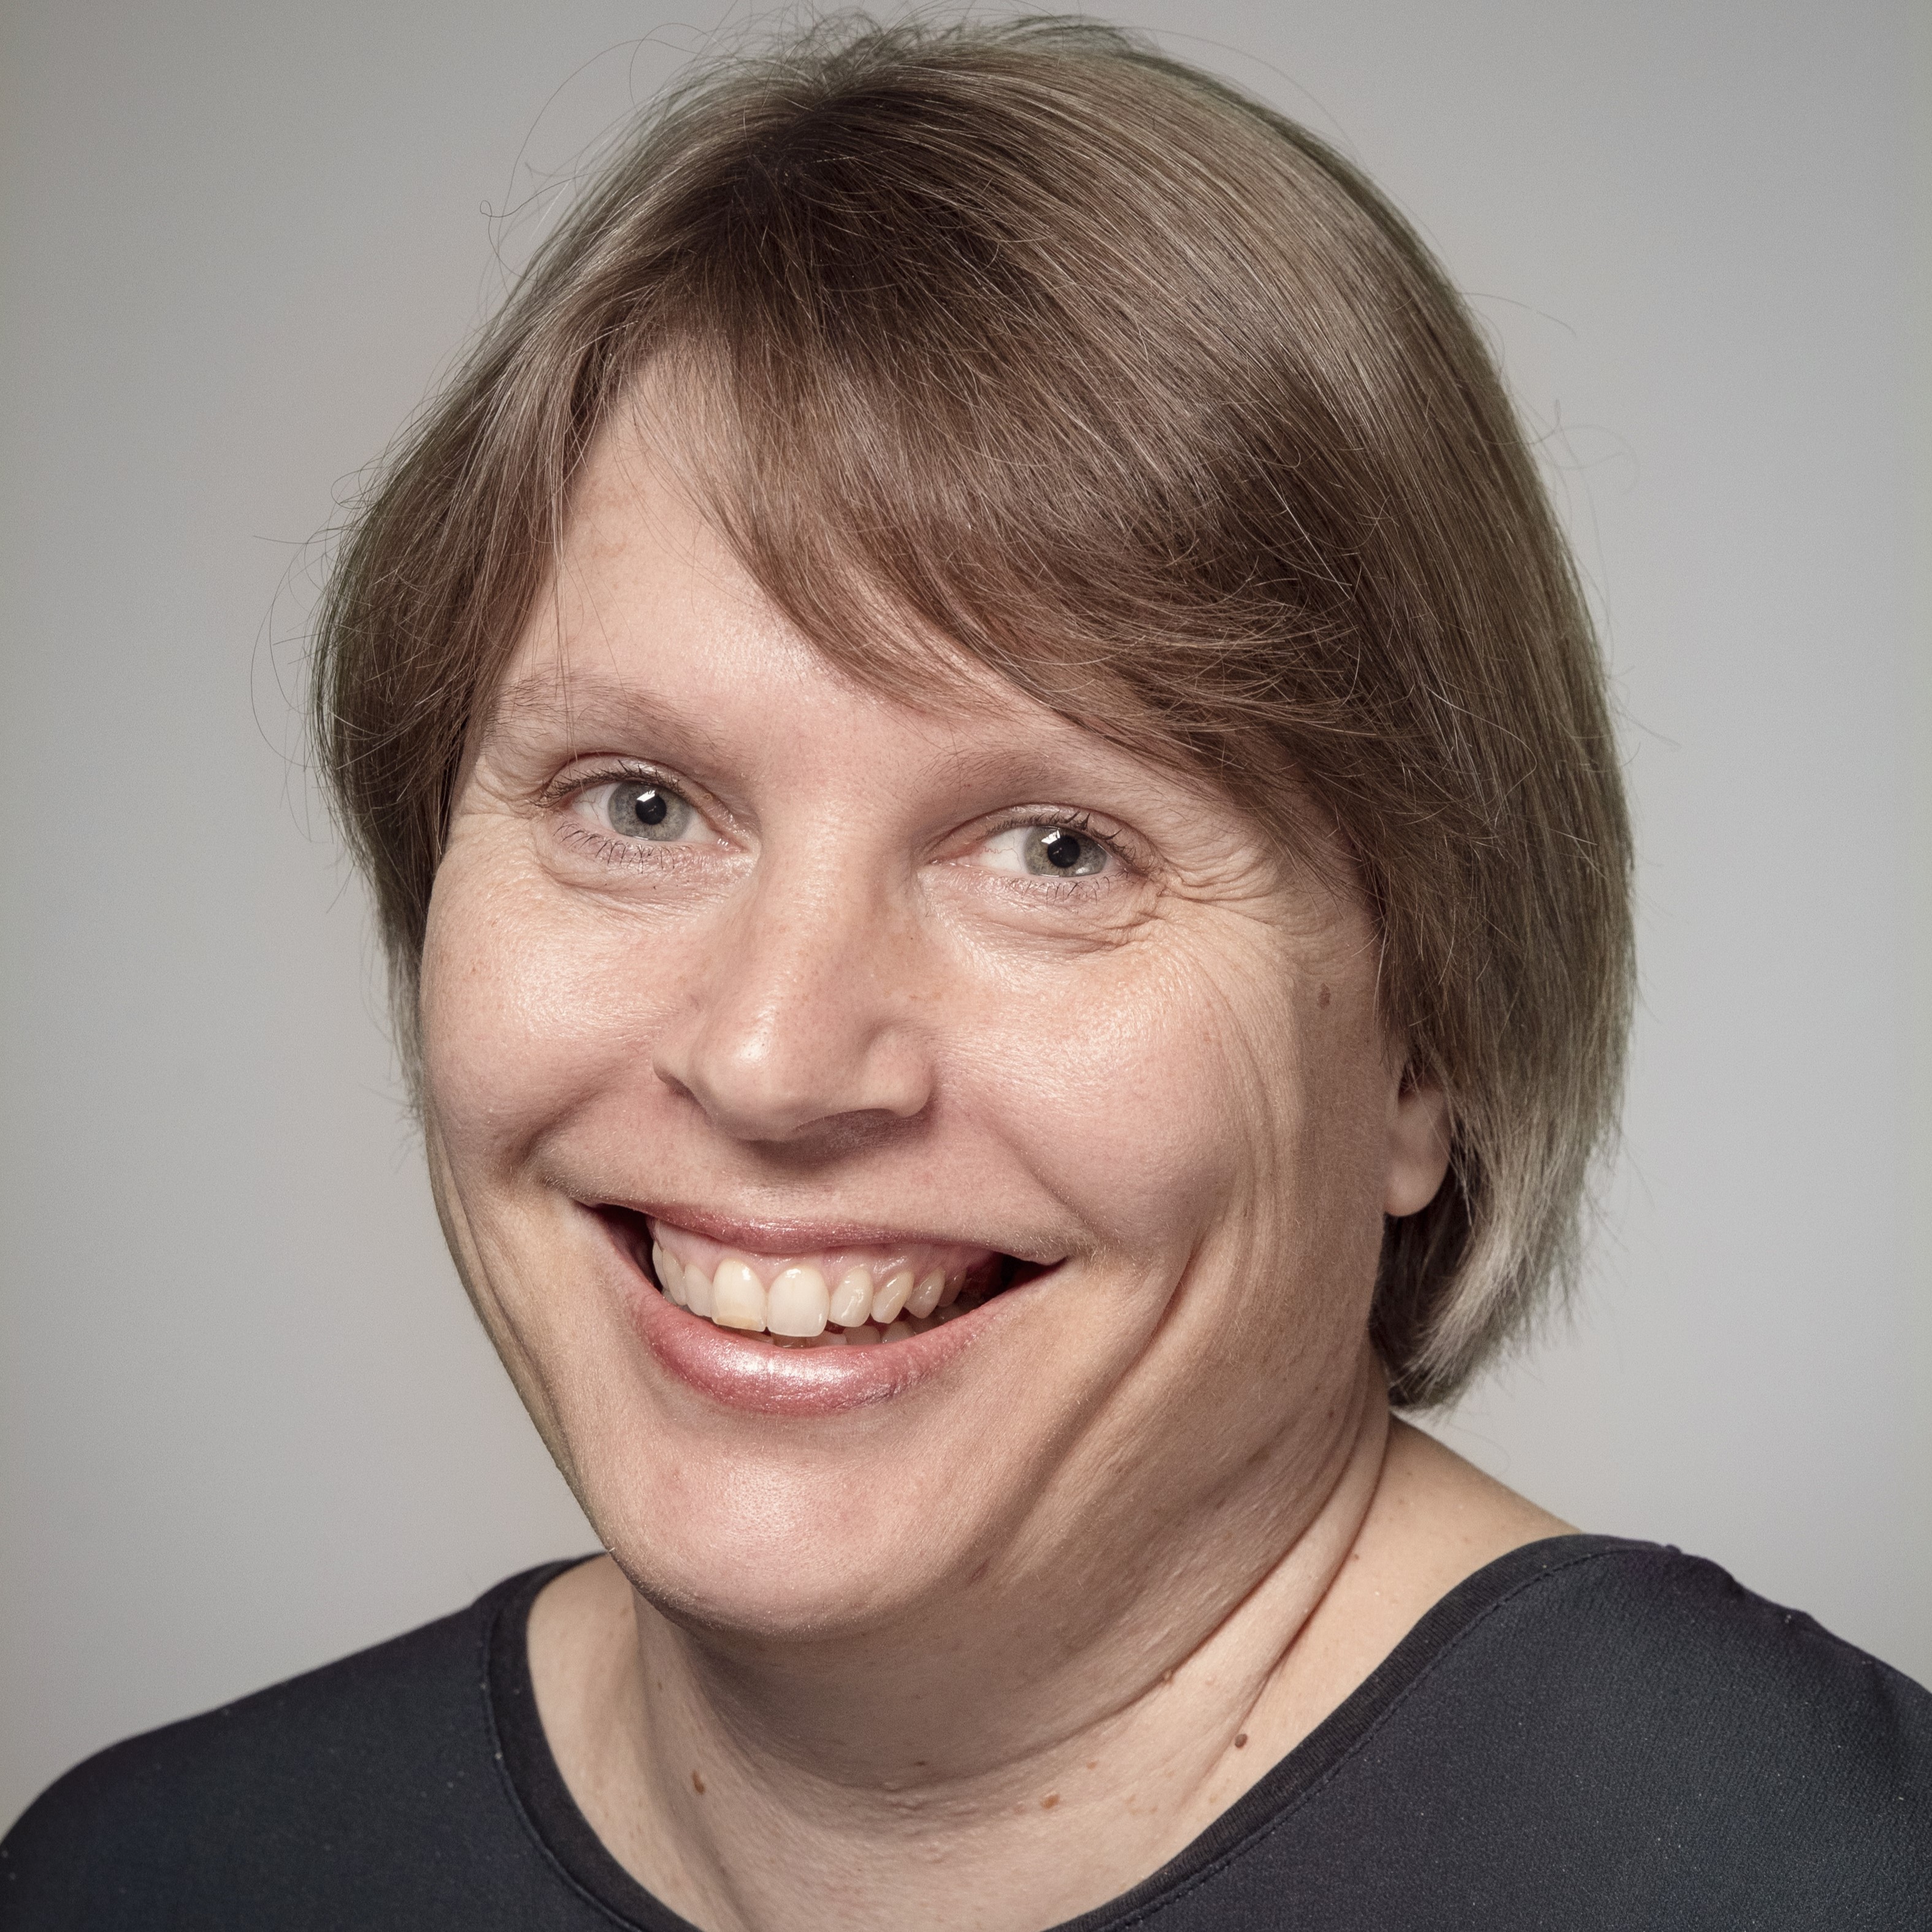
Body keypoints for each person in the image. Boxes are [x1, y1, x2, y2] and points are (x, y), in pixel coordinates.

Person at [2, 15, 1925, 1930]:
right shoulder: (146, 1884)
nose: (771, 1058)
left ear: (1425, 1042)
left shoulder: (1816, 1880)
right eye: (643, 805)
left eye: (1057, 850)